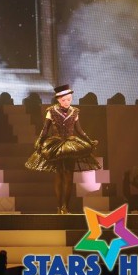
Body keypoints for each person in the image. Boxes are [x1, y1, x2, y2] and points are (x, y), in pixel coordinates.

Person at [25, 84, 101, 214]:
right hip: (56, 145)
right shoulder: (52, 111)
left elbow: (79, 130)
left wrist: (89, 141)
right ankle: (59, 206)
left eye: (69, 99)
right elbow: (45, 129)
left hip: (71, 146)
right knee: (59, 174)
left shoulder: (74, 111)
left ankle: (65, 206)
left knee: (69, 176)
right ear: (59, 99)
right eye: (64, 100)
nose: (67, 102)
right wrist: (40, 141)